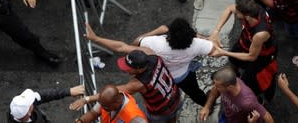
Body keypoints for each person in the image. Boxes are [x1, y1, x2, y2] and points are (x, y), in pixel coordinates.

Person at [84, 18, 218, 106]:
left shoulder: (153, 47)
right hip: (183, 75)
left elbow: (127, 45)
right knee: (195, 92)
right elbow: (213, 48)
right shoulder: (196, 45)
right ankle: (207, 105)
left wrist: (96, 39)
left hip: (165, 79)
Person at [75, 50, 183, 121]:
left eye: (128, 68)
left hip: (161, 111)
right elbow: (122, 47)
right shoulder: (153, 57)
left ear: (139, 69)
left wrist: (87, 99)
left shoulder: (138, 84)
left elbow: (117, 90)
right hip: (175, 95)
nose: (126, 70)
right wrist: (96, 39)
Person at [209, 0, 278, 101]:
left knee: (250, 81)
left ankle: (256, 98)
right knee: (233, 60)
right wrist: (216, 31)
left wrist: (223, 52)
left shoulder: (260, 33)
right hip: (245, 42)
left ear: (247, 16)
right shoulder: (253, 9)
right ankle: (234, 76)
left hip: (261, 55)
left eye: (237, 13)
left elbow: (251, 57)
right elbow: (229, 9)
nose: (235, 14)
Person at [200, 66, 274, 123]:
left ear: (229, 87)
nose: (215, 87)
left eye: (217, 86)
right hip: (227, 116)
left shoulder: (247, 102)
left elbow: (268, 118)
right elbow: (215, 90)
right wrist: (207, 106)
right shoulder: (226, 83)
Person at [7, 84, 85, 122]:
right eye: (30, 103)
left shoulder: (17, 105)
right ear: (29, 113)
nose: (32, 100)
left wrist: (68, 91)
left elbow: (44, 95)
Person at [71, 85, 147, 123]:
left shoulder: (134, 117)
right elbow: (93, 114)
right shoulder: (106, 102)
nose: (103, 108)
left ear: (117, 102)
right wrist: (80, 121)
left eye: (106, 108)